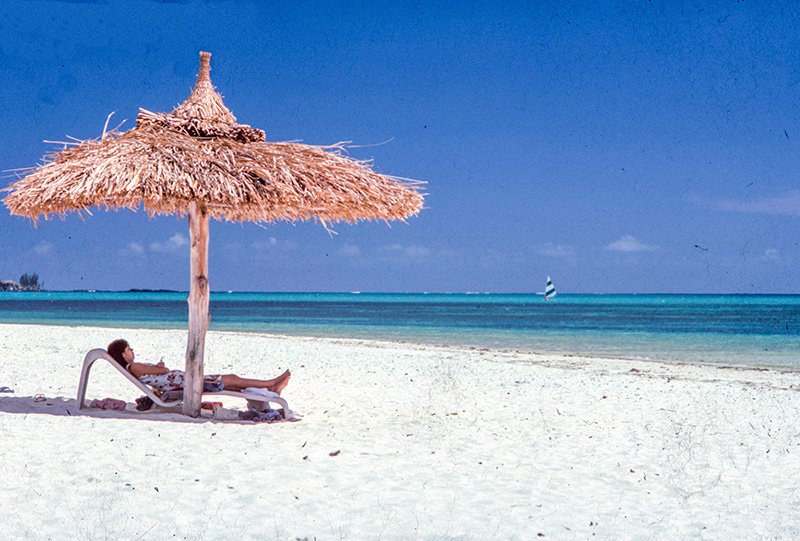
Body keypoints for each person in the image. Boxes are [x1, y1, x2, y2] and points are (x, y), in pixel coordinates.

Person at [106, 339, 290, 395]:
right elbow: (164, 372)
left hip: (184, 381)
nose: (132, 351)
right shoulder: (135, 367)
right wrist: (159, 366)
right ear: (123, 354)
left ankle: (270, 388)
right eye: (129, 349)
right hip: (186, 383)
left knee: (231, 384)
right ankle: (270, 382)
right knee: (232, 379)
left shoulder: (135, 367)